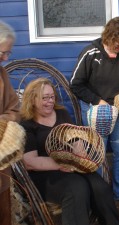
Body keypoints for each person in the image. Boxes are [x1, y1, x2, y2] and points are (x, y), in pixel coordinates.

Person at [20, 78, 119, 225]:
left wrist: (79, 150)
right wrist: (60, 165)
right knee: (76, 189)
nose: (50, 101)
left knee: (100, 187)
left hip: (70, 164)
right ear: (32, 99)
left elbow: (75, 137)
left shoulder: (61, 113)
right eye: (44, 98)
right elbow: (29, 162)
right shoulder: (26, 124)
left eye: (52, 96)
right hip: (44, 174)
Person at [69, 17, 119, 204]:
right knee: (97, 153)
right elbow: (75, 84)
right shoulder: (91, 53)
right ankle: (101, 192)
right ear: (108, 37)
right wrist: (97, 100)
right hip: (97, 110)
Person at [0, 20, 21, 225]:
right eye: (2, 53)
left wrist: (3, 121)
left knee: (4, 211)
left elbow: (14, 109)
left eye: (8, 54)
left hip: (1, 157)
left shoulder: (2, 74)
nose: (5, 59)